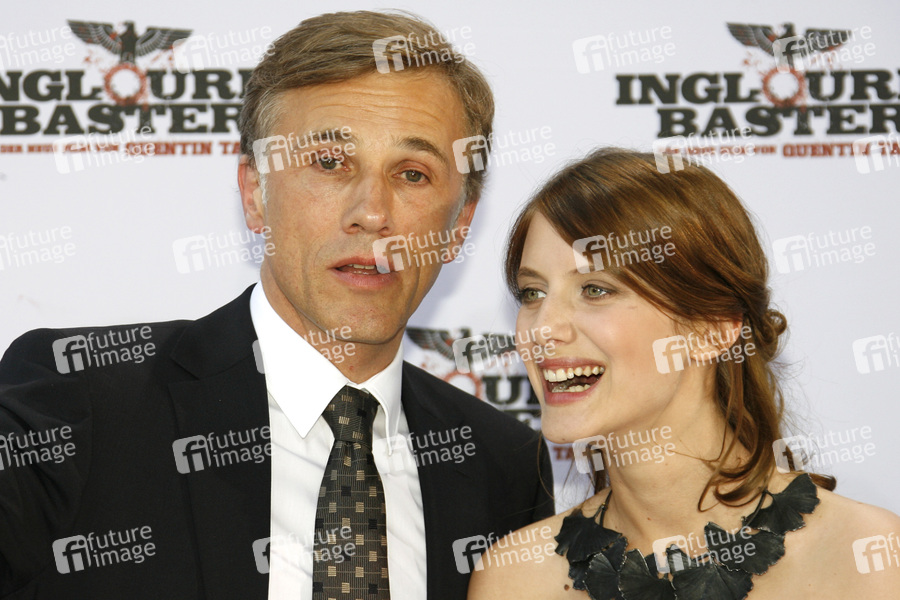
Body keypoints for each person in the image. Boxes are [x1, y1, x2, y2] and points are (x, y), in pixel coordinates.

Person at [0, 11, 554, 600]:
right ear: (255, 195)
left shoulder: (504, 466)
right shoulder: (79, 397)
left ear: (459, 224)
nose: (372, 212)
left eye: (413, 174)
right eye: (329, 162)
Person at [467, 148, 900, 599]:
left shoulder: (868, 557)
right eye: (532, 292)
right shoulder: (515, 580)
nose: (542, 329)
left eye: (595, 289)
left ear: (714, 326)